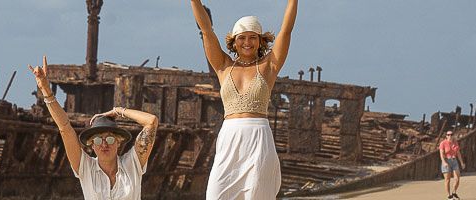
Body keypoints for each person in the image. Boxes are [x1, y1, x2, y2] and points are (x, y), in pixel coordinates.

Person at [188, 0, 297, 199]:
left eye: (253, 37)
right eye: (242, 38)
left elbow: (286, 30)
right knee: (216, 194)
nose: (247, 42)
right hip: (230, 139)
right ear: (234, 41)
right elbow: (206, 30)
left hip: (259, 139)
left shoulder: (269, 66)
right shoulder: (223, 66)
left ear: (261, 41)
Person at [28, 56, 159, 200]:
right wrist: (46, 90)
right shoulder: (86, 168)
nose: (103, 144)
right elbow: (65, 128)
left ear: (118, 141)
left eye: (109, 139)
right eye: (97, 140)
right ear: (92, 145)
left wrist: (118, 111)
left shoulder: (132, 164)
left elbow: (151, 122)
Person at [439, 131, 465, 200]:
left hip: (454, 161)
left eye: (451, 134)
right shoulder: (443, 143)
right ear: (446, 136)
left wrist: (462, 162)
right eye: (448, 135)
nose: (450, 136)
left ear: (453, 135)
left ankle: (454, 192)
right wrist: (444, 162)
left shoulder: (455, 142)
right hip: (446, 161)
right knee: (447, 180)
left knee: (457, 178)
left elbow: (458, 153)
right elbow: (441, 154)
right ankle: (449, 195)